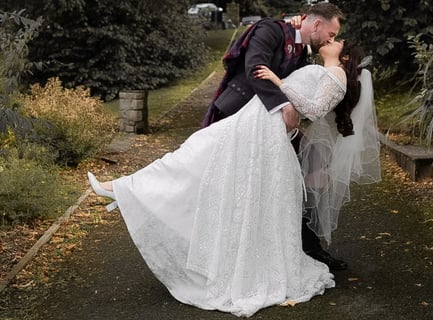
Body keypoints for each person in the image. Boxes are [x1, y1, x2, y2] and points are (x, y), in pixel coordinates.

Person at [88, 40, 380, 317]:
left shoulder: (338, 75)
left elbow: (313, 110)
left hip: (263, 130)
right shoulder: (327, 70)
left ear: (344, 57)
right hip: (256, 124)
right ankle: (128, 189)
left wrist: (278, 83)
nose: (332, 39)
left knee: (196, 157)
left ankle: (127, 190)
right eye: (332, 34)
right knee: (199, 160)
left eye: (338, 40)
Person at [202, 2, 348, 270]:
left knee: (312, 166)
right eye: (331, 33)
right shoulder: (270, 30)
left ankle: (307, 247)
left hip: (273, 125)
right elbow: (255, 68)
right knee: (228, 182)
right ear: (316, 24)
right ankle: (227, 250)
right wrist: (284, 105)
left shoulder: (302, 50)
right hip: (238, 114)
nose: (332, 39)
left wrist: (289, 105)